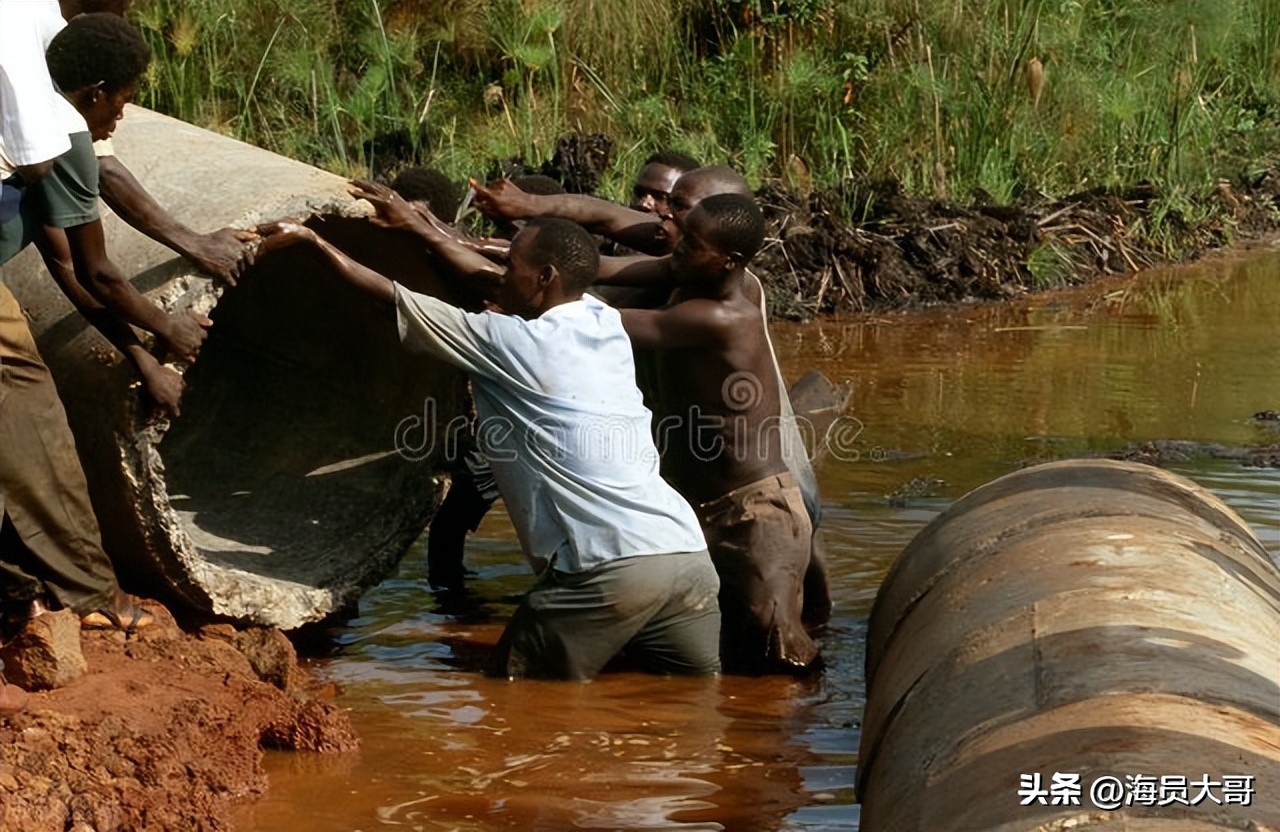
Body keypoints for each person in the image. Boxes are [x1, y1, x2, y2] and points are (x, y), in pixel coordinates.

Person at [255, 183, 722, 681]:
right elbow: (485, 278)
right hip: (686, 556)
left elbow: (392, 298)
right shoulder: (602, 320)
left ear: (544, 277)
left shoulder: (515, 342)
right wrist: (418, 227)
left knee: (516, 699)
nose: (502, 276)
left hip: (607, 568)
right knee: (692, 702)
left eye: (512, 267)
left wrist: (313, 244)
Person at [480, 165, 834, 628]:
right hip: (705, 491)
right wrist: (525, 214)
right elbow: (608, 221)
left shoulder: (728, 300)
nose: (660, 218)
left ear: (724, 243)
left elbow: (599, 317)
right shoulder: (689, 262)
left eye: (677, 211)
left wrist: (517, 281)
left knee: (792, 626)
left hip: (761, 492)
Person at [1, 12, 163, 640]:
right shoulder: (61, 132)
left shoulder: (25, 121)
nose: (119, 117)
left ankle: (28, 589)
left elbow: (59, 259)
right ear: (93, 91)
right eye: (120, 100)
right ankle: (93, 595)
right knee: (33, 426)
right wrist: (165, 331)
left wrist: (140, 354)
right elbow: (97, 272)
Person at [616, 193, 820, 674]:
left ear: (729, 261)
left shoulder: (724, 315)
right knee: (729, 656)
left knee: (783, 661)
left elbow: (604, 323)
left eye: (692, 243)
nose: (678, 249)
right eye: (683, 237)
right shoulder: (695, 281)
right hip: (703, 511)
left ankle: (794, 746)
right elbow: (603, 261)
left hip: (755, 519)